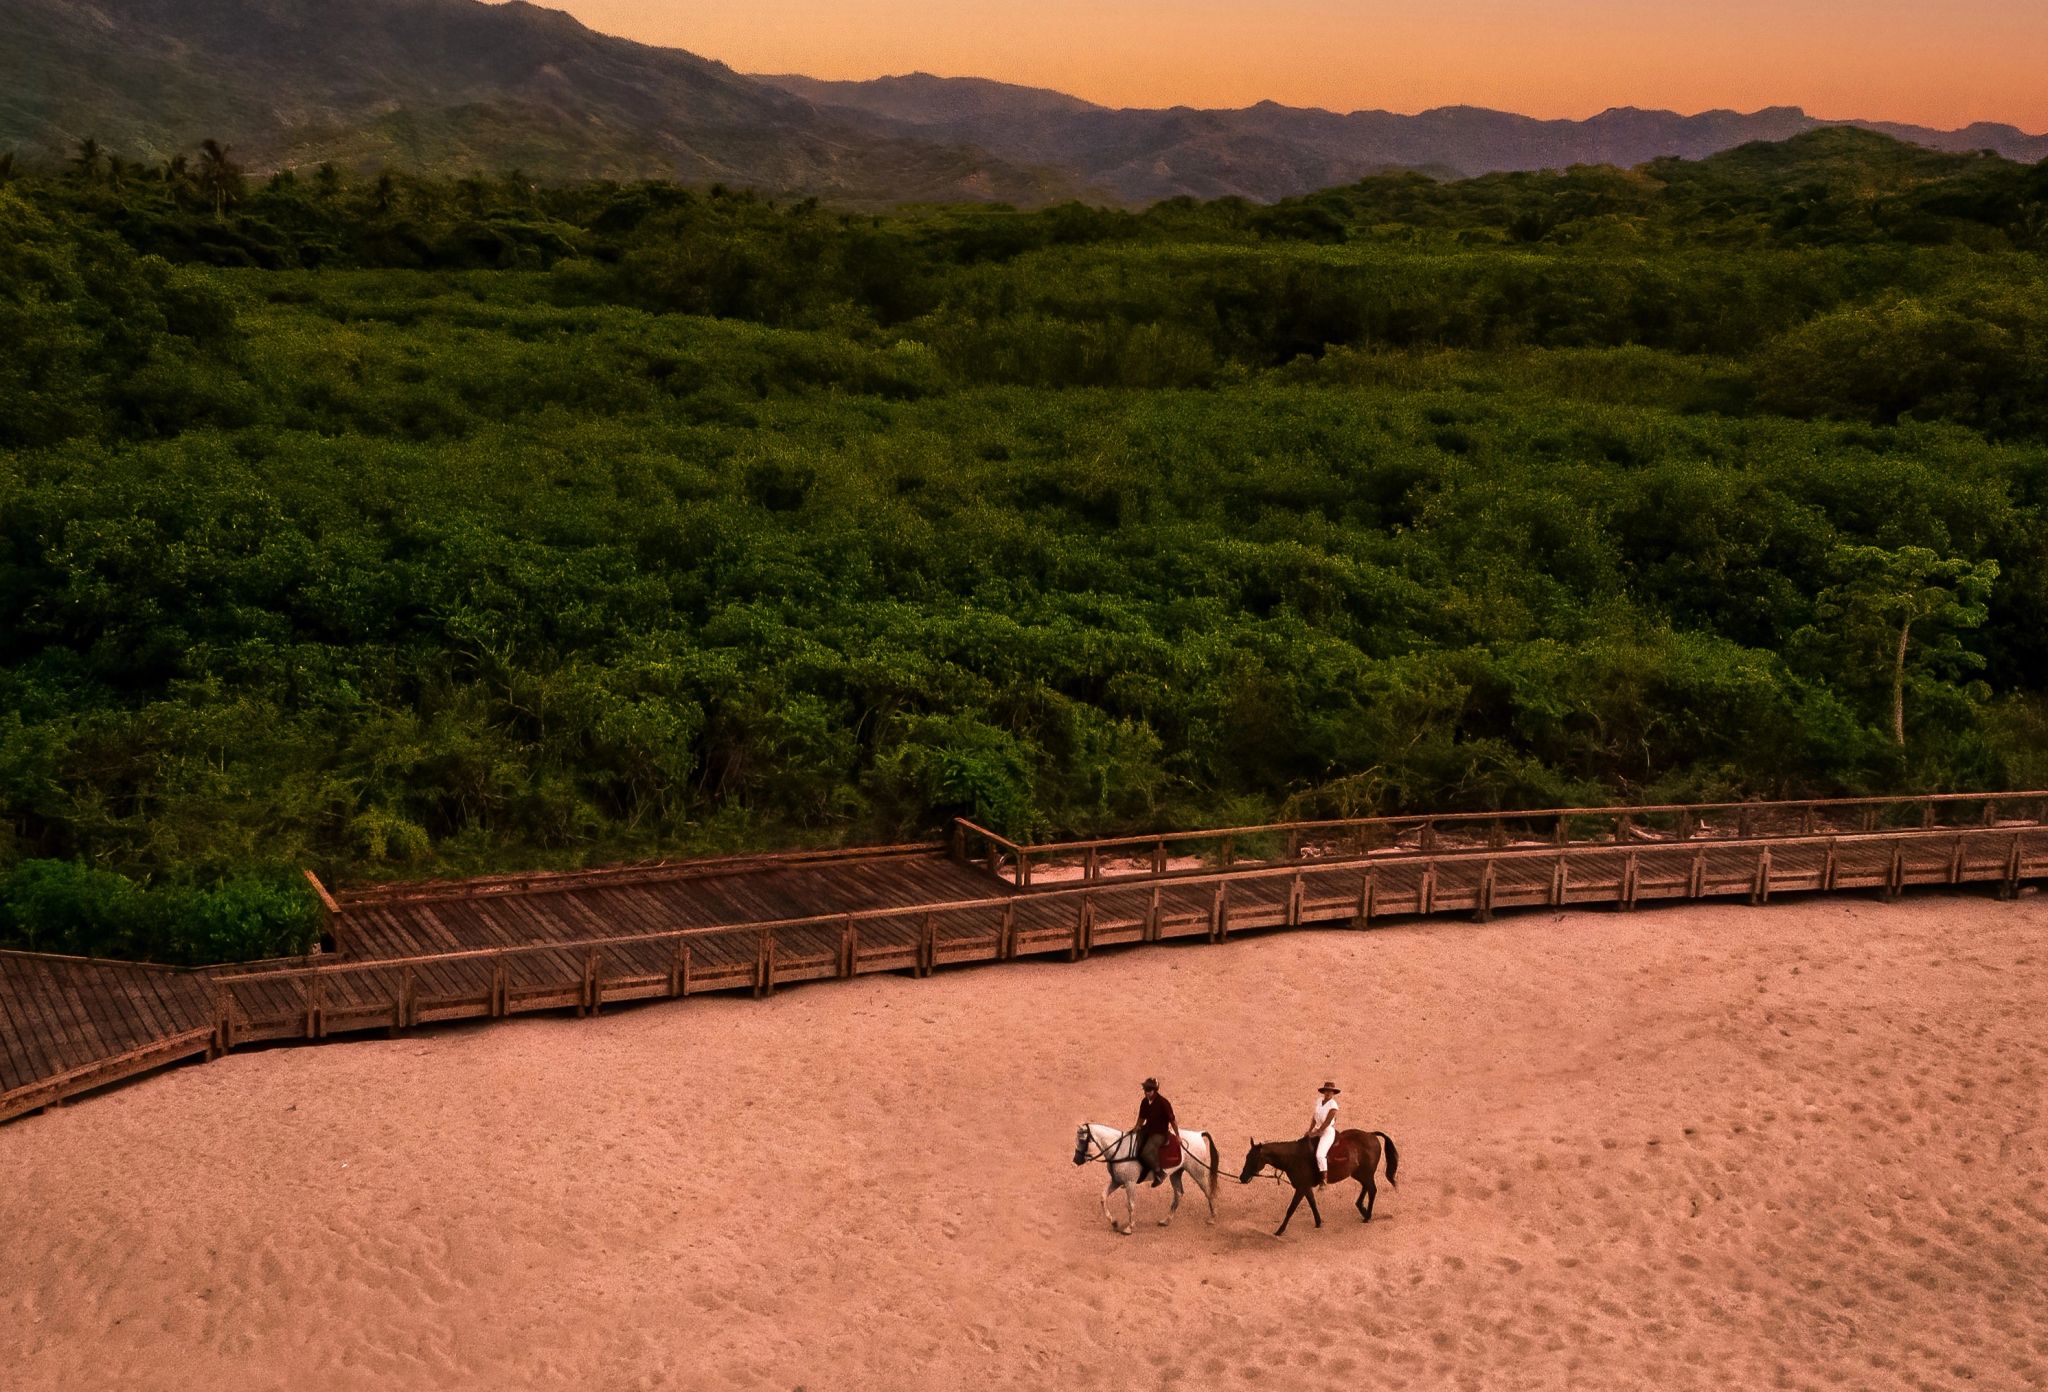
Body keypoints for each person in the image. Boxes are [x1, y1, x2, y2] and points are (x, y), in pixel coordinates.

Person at [1134, 1077, 1176, 1186]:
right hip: (1148, 1129)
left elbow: (1172, 1120)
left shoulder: (1163, 1103)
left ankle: (1159, 1173)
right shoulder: (1144, 1102)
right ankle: (1145, 1169)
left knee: (1146, 1152)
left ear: (1155, 1090)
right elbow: (1141, 1118)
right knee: (1134, 1144)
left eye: (1149, 1090)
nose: (1146, 1093)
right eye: (1145, 1090)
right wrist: (1136, 1128)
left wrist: (1178, 1136)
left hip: (1160, 1133)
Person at [1306, 1082, 1341, 1183]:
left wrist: (1316, 1133)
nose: (1328, 1093)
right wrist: (1309, 1131)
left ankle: (1324, 1179)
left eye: (1331, 1091)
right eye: (1327, 1090)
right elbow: (1314, 1117)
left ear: (1333, 1093)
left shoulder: (1333, 1105)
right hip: (1317, 1129)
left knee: (1320, 1155)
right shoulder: (1319, 1100)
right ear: (1324, 1091)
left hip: (1327, 1131)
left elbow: (1327, 1122)